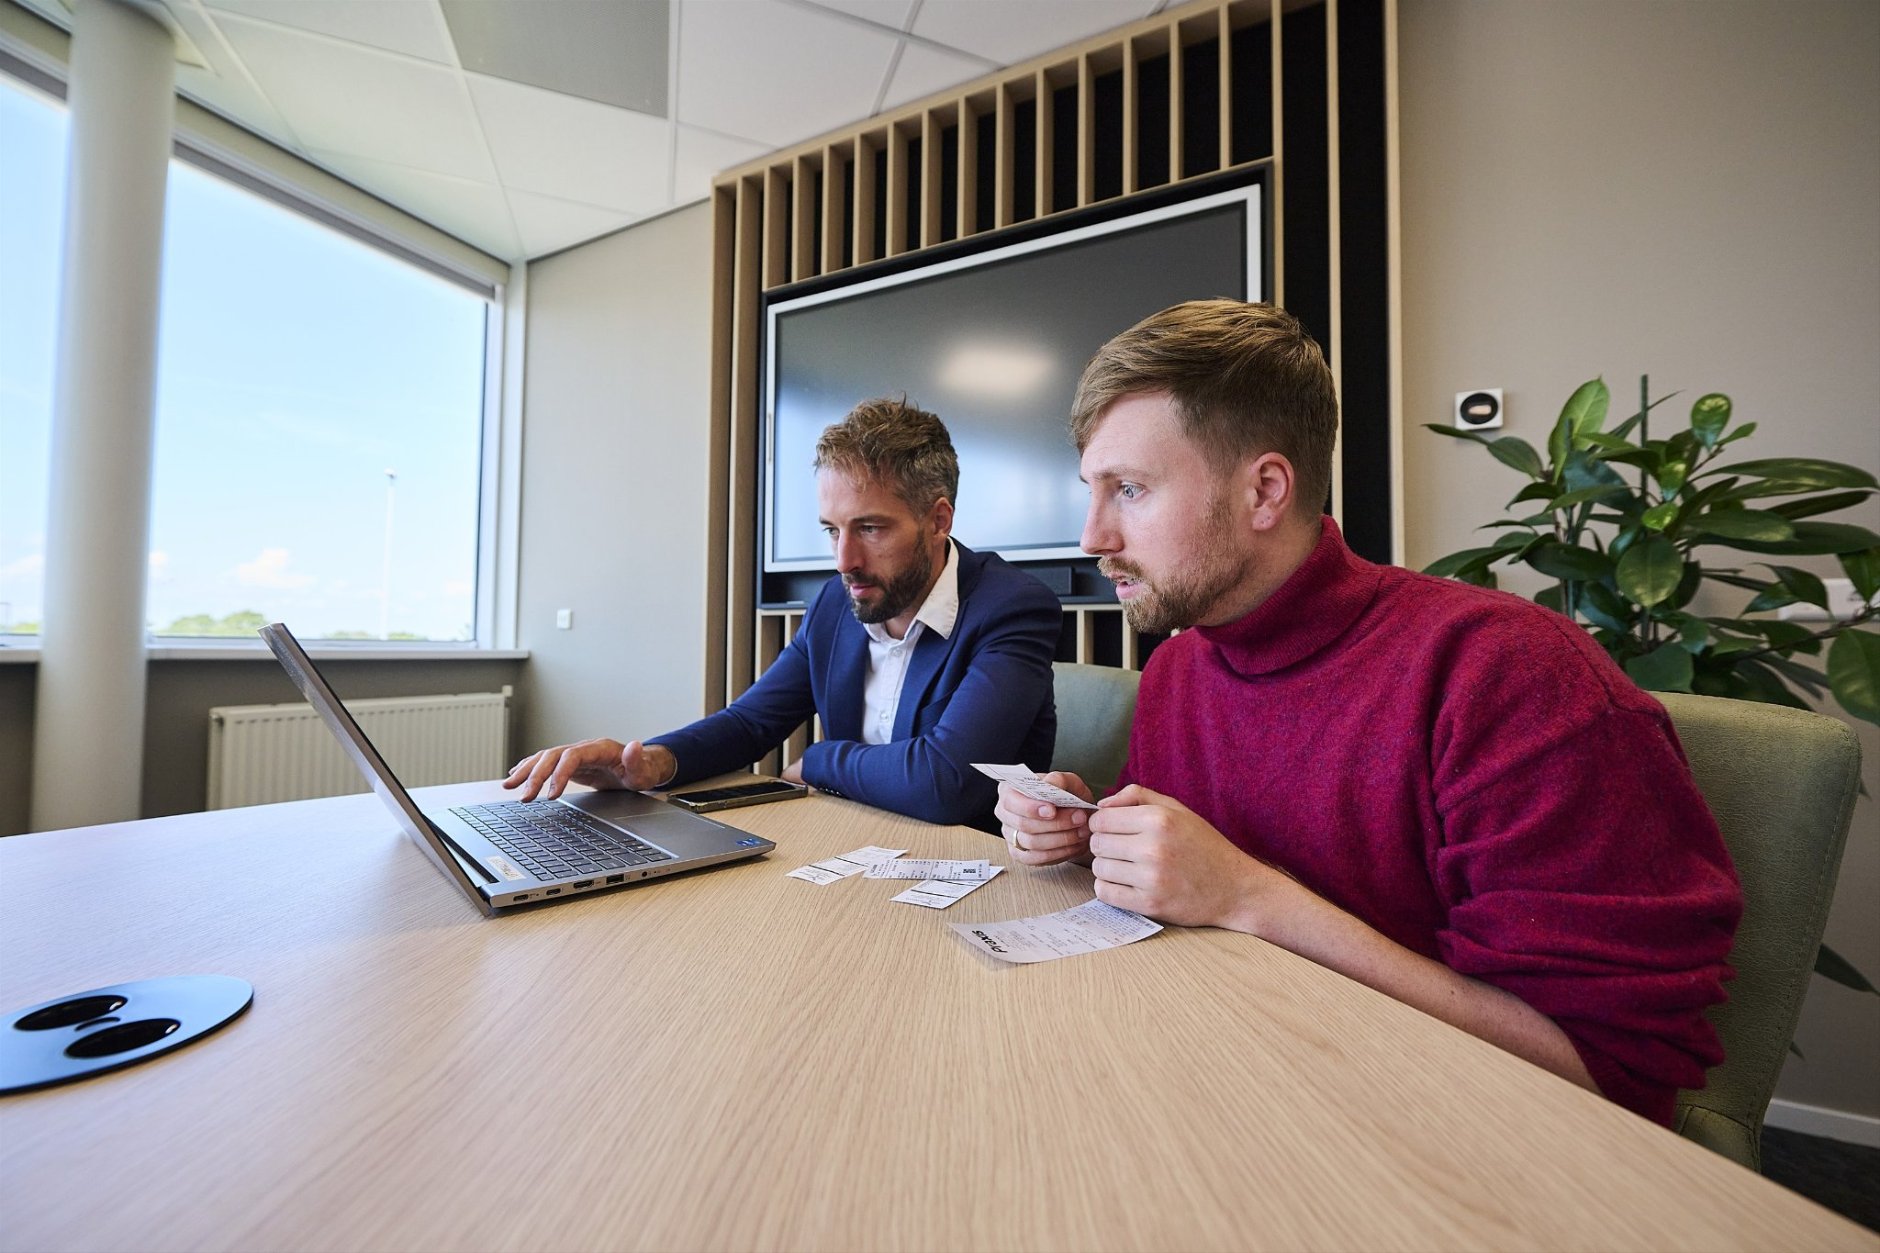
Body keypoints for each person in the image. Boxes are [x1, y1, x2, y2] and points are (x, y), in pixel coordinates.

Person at [996, 299, 1741, 1125]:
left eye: (1128, 489)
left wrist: (1252, 896)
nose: (1092, 535)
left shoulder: (1508, 675)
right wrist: (1090, 830)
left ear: (1265, 491)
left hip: (1444, 1135)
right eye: (1091, 491)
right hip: (1224, 1078)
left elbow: (1606, 1078)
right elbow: (1188, 881)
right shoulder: (1179, 668)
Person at [508, 397, 1059, 830]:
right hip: (849, 844)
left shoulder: (1012, 609)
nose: (844, 561)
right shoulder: (834, 605)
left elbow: (945, 782)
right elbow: (751, 723)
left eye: (870, 528)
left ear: (938, 520)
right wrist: (651, 761)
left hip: (972, 871)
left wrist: (819, 761)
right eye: (832, 530)